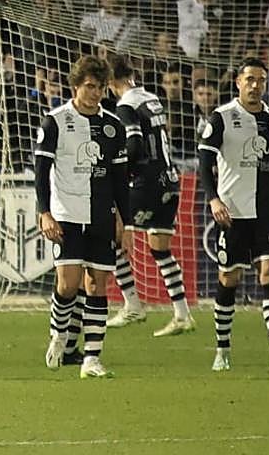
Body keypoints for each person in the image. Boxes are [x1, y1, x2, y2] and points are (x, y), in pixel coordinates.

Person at [198, 58, 269, 373]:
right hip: (233, 211)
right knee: (230, 278)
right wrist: (213, 199)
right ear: (238, 82)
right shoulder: (223, 117)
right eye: (250, 79)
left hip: (266, 210)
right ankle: (223, 349)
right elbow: (204, 161)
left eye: (261, 80)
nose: (255, 85)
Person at [37, 55, 128, 379]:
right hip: (66, 215)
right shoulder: (55, 121)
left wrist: (124, 221)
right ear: (75, 86)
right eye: (89, 86)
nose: (95, 93)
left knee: (97, 285)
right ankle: (60, 336)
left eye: (100, 87)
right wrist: (44, 213)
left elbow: (120, 178)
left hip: (101, 216)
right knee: (67, 284)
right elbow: (41, 171)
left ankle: (92, 359)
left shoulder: (113, 126)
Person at [106, 54, 194, 337]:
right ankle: (182, 314)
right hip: (169, 179)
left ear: (110, 82)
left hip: (145, 183)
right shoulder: (150, 98)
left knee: (114, 237)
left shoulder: (125, 106)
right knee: (159, 248)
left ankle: (132, 304)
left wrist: (120, 172)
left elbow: (134, 145)